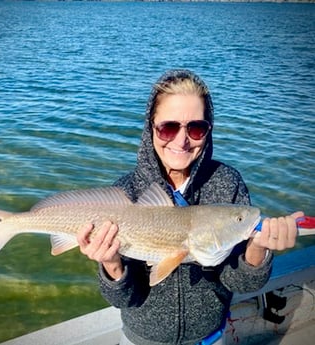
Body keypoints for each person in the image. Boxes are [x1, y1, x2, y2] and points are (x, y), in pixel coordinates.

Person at [76, 69, 302, 345]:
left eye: (196, 128)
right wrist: (112, 265)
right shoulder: (126, 192)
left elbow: (242, 284)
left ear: (209, 129)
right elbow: (122, 298)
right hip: (141, 339)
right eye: (168, 127)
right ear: (151, 127)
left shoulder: (227, 183)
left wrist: (258, 249)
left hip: (209, 337)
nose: (182, 141)